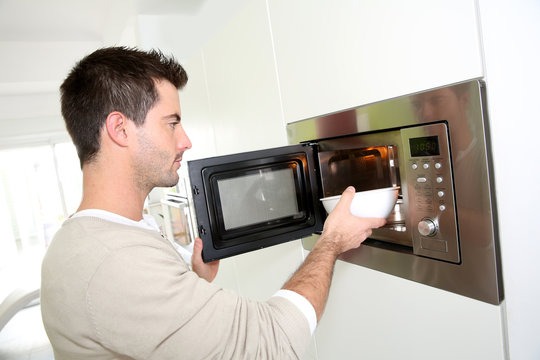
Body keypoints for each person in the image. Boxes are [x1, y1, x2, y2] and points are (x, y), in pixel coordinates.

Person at [40, 46, 386, 360]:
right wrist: (331, 242)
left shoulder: (87, 238)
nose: (186, 141)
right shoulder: (114, 260)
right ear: (120, 128)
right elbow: (271, 343)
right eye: (172, 123)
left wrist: (190, 283)